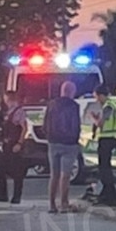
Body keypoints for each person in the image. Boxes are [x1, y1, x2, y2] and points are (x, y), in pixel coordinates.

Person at [43, 81, 81, 213]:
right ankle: (64, 203)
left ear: (62, 91)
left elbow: (45, 123)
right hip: (69, 144)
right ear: (72, 92)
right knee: (65, 175)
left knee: (54, 174)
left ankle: (52, 205)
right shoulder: (74, 106)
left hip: (53, 143)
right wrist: (75, 140)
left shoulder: (51, 104)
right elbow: (76, 125)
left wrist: (49, 137)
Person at [89, 85, 116, 205]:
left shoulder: (108, 106)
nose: (96, 99)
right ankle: (108, 193)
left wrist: (94, 118)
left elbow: (101, 123)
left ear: (102, 95)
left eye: (97, 96)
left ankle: (109, 194)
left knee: (104, 169)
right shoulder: (112, 105)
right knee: (105, 168)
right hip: (109, 139)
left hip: (106, 140)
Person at [0, 91, 27, 204]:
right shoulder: (8, 112)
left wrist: (19, 143)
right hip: (7, 144)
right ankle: (2, 195)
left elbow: (24, 128)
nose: (4, 101)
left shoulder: (18, 111)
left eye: (5, 98)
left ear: (9, 98)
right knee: (1, 169)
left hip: (14, 145)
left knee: (17, 172)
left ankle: (16, 196)